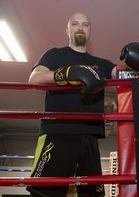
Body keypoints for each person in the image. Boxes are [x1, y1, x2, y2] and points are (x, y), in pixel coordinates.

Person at [27, 12, 117, 197]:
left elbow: (125, 75)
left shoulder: (100, 64)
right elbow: (34, 78)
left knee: (91, 194)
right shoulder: (54, 55)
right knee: (46, 194)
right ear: (67, 30)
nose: (80, 28)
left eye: (85, 24)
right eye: (75, 24)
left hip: (90, 135)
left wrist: (136, 64)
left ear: (90, 31)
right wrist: (65, 74)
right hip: (58, 132)